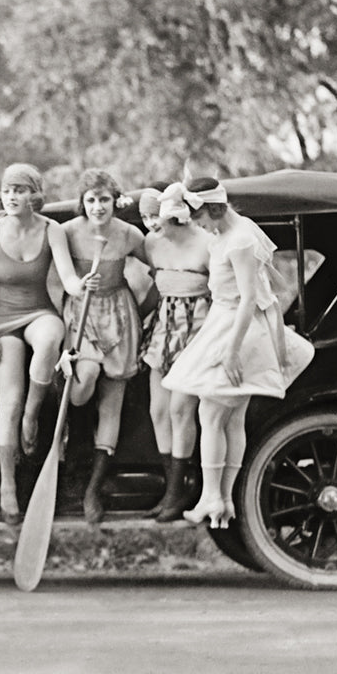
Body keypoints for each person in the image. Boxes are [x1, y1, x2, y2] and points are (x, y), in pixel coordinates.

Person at [162, 177, 315, 528]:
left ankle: (212, 496)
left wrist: (231, 351)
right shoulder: (229, 233)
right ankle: (225, 500)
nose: (195, 225)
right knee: (231, 418)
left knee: (211, 414)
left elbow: (249, 298)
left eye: (197, 217)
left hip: (237, 330)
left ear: (213, 210)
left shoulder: (241, 239)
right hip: (226, 321)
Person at [0, 164, 85, 524]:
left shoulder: (51, 229)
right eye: (7, 190)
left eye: (20, 190)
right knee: (9, 401)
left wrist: (81, 286)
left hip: (38, 311)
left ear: (34, 195)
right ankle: (7, 485)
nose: (12, 197)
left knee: (52, 335)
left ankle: (32, 417)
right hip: (2, 321)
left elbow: (66, 276)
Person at [59, 169, 149, 524]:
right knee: (83, 385)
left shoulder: (128, 234)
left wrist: (150, 307)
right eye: (91, 200)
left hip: (119, 314)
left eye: (104, 200)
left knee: (112, 404)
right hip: (81, 314)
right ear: (82, 203)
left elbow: (162, 264)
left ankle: (94, 487)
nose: (98, 207)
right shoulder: (66, 233)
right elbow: (56, 277)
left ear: (115, 201)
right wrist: (76, 288)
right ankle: (70, 460)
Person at [137, 185, 212, 521]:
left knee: (182, 409)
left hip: (198, 325)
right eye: (145, 216)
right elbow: (157, 285)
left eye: (156, 215)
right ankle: (173, 486)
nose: (151, 223)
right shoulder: (151, 243)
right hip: (165, 325)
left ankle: (178, 491)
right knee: (159, 410)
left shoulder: (206, 242)